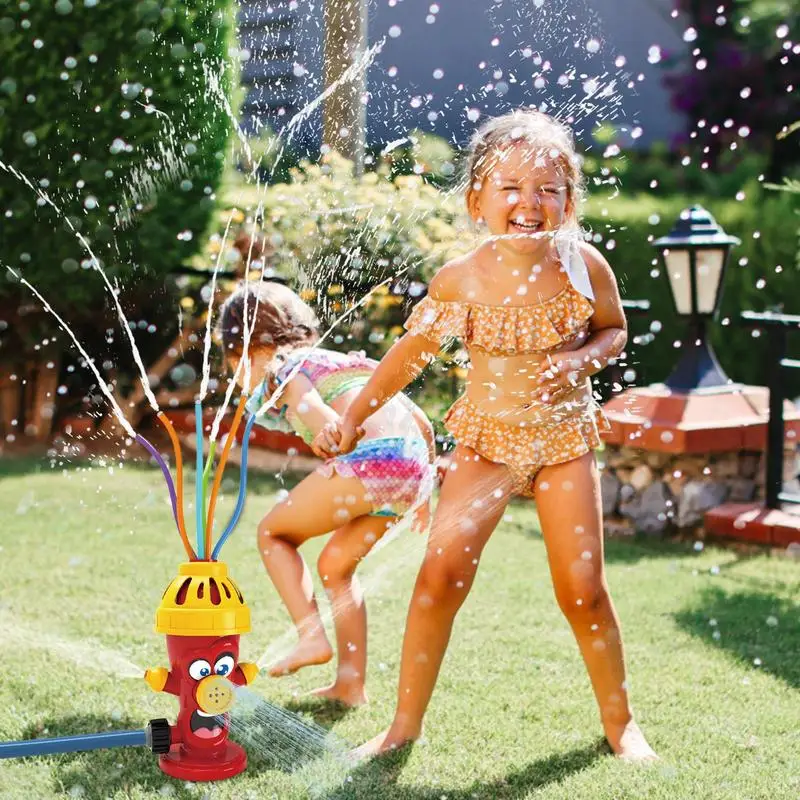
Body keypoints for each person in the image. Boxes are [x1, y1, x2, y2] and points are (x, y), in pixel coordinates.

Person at [314, 110, 658, 760]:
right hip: (486, 446)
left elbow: (615, 331)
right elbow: (408, 358)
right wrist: (355, 414)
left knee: (583, 591)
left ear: (569, 200)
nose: (529, 204)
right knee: (438, 578)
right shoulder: (461, 280)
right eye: (511, 188)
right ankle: (401, 727)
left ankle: (621, 725)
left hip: (563, 445)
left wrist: (585, 358)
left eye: (547, 190)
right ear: (478, 200)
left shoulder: (585, 267)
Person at [218, 281, 436, 707]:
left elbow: (305, 399)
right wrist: (425, 492)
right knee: (336, 568)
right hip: (410, 467)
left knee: (273, 534)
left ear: (242, 352)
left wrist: (322, 425)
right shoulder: (342, 361)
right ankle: (351, 686)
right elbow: (421, 420)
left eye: (233, 368)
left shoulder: (284, 367)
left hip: (370, 458)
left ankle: (312, 638)